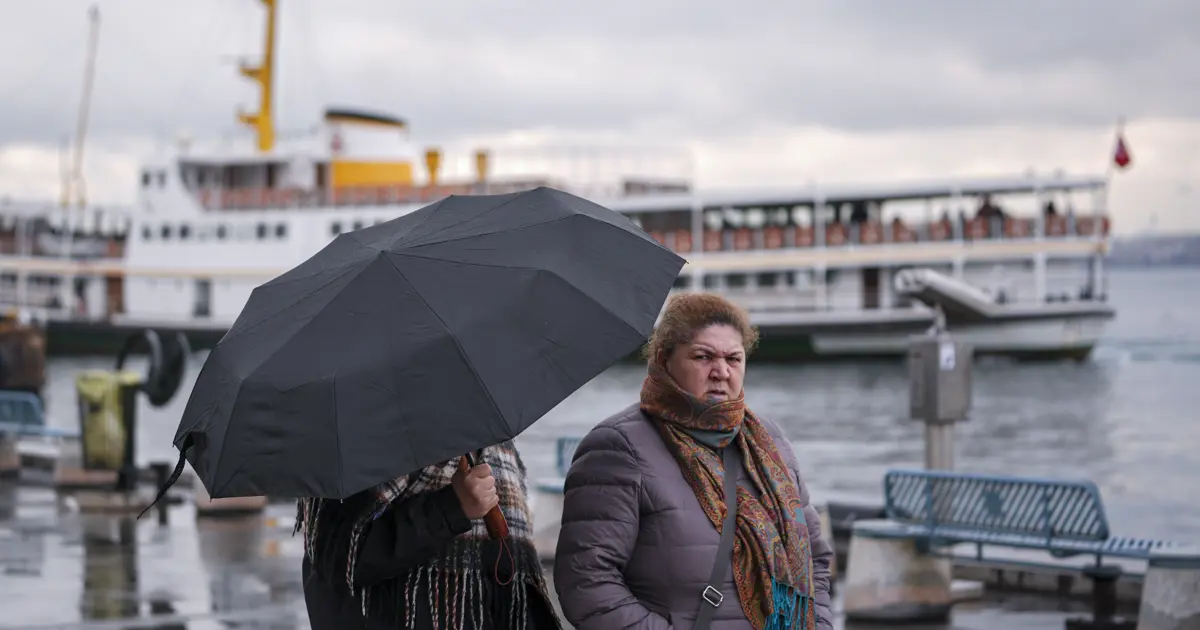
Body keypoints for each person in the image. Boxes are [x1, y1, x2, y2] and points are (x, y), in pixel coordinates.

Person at [553, 293, 834, 630]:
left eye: (734, 358)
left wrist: (820, 624)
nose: (721, 371)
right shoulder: (619, 446)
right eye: (703, 357)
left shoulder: (769, 441)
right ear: (664, 359)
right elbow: (586, 581)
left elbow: (815, 559)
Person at [298, 441, 562, 629]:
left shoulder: (497, 444)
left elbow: (516, 568)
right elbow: (339, 556)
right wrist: (452, 507)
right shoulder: (363, 439)